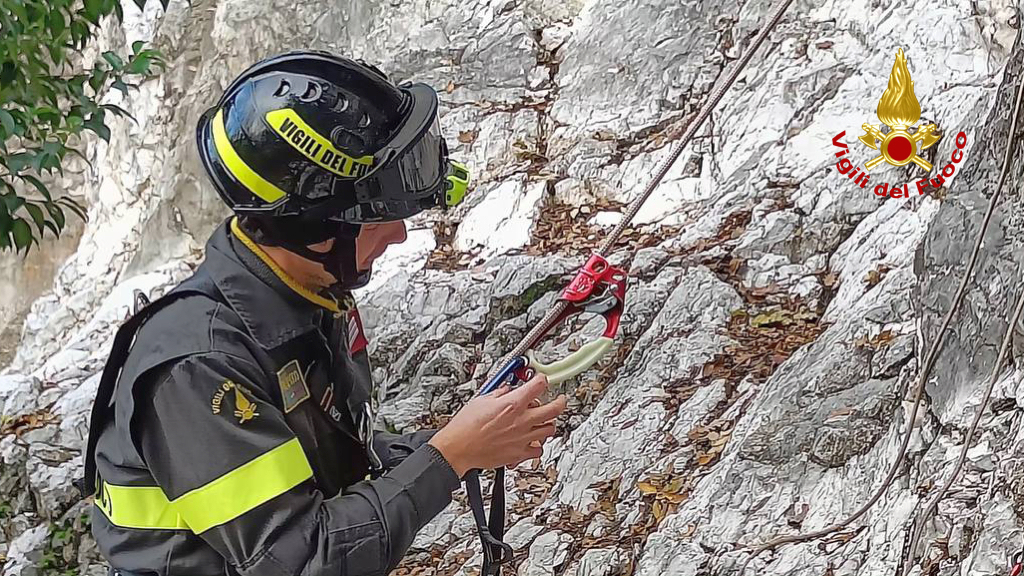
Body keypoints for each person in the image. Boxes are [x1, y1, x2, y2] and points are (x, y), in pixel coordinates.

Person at [81, 50, 567, 576]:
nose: (398, 233)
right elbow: (302, 559)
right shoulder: (199, 366)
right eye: (377, 216)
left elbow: (322, 460)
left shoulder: (306, 294)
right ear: (310, 227)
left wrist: (460, 443)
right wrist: (447, 457)